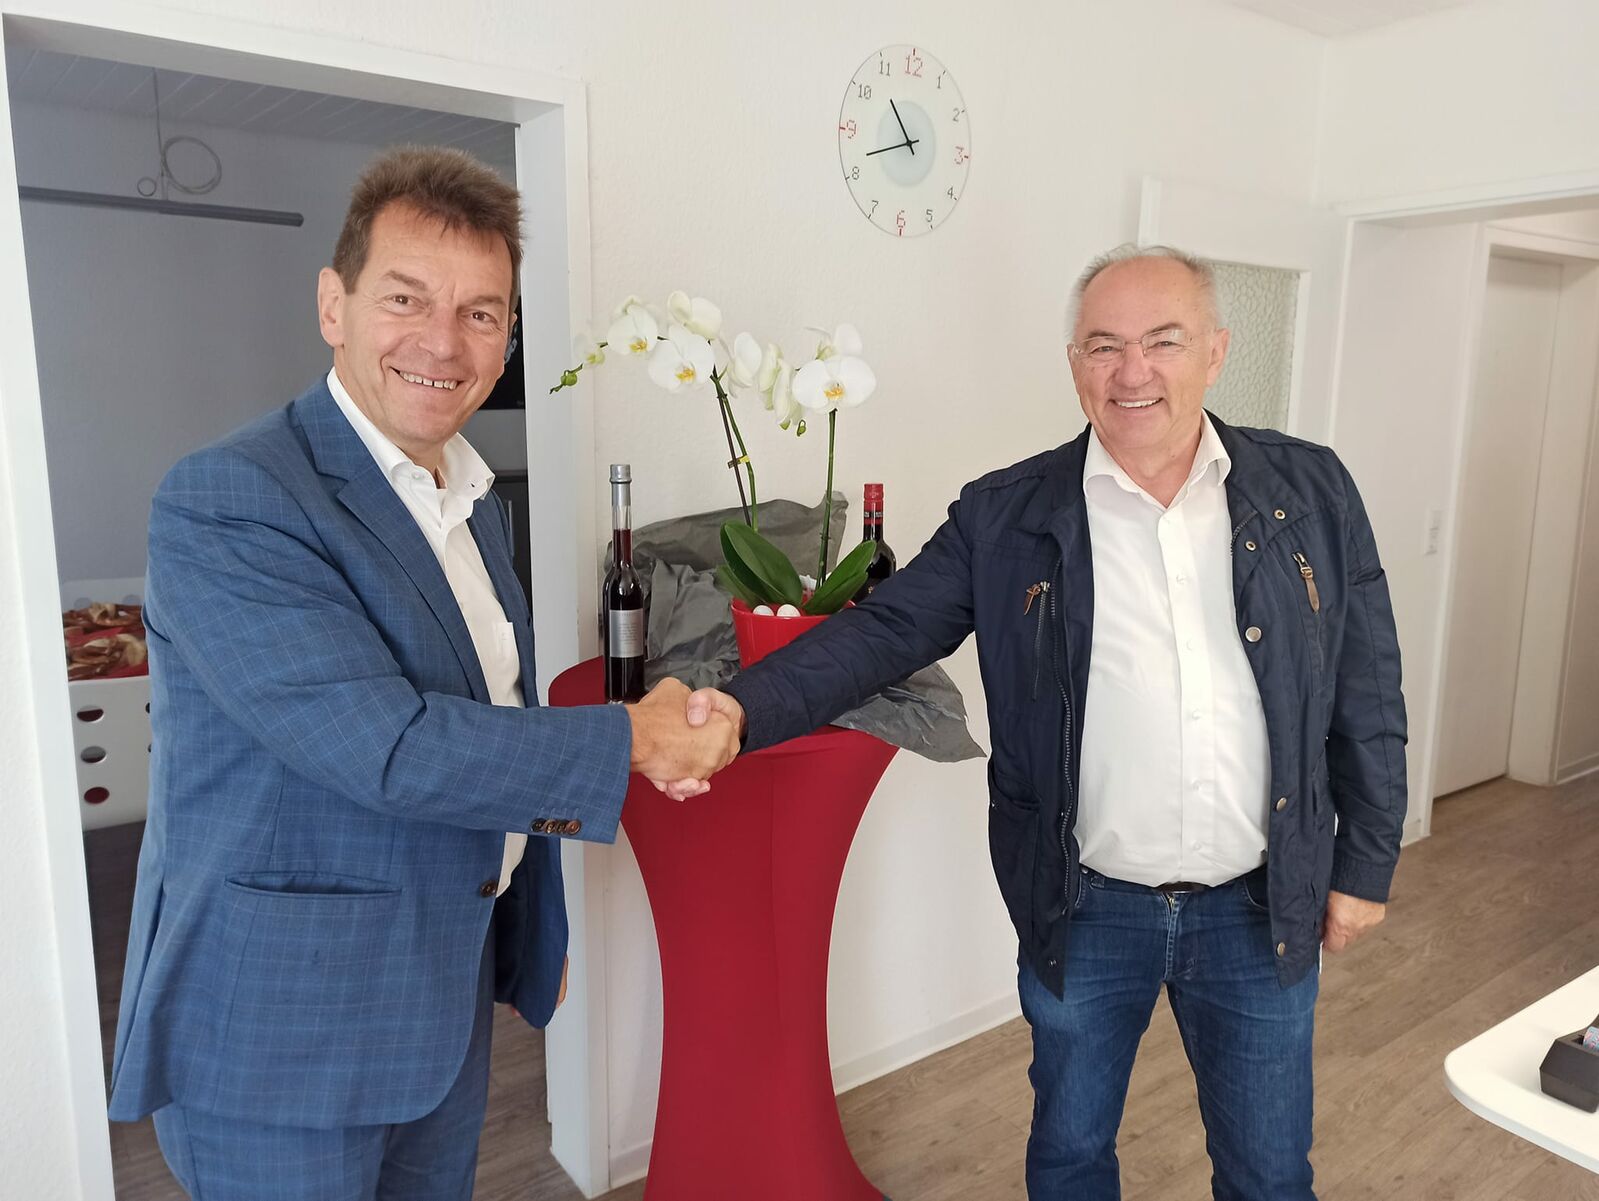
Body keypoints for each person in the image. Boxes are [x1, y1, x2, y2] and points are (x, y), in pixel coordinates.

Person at [676, 245, 1408, 1199]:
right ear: (1073, 365)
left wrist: (1364, 863)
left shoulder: (1309, 491)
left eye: (1163, 341)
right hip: (1084, 906)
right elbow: (884, 631)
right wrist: (741, 707)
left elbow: (1366, 684)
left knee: (1268, 1174)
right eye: (1104, 346)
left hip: (1259, 903)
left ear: (1214, 351)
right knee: (1068, 1157)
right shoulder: (1006, 516)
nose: (1132, 371)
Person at [107, 145, 739, 1200]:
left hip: (436, 997)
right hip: (278, 1038)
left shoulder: (470, 501)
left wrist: (532, 930)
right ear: (334, 305)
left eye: (482, 313)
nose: (443, 342)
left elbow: (496, 712)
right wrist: (637, 737)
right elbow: (389, 747)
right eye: (405, 298)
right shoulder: (231, 498)